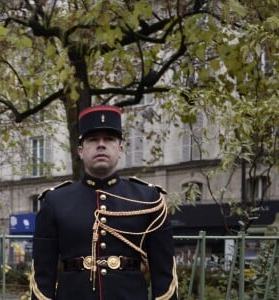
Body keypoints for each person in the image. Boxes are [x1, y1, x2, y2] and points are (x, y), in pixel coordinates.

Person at [30, 105, 178, 300]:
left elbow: (164, 274)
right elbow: (42, 277)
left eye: (108, 139)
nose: (101, 145)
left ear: (120, 149)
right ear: (81, 151)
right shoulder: (55, 201)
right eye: (93, 140)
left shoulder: (148, 199)